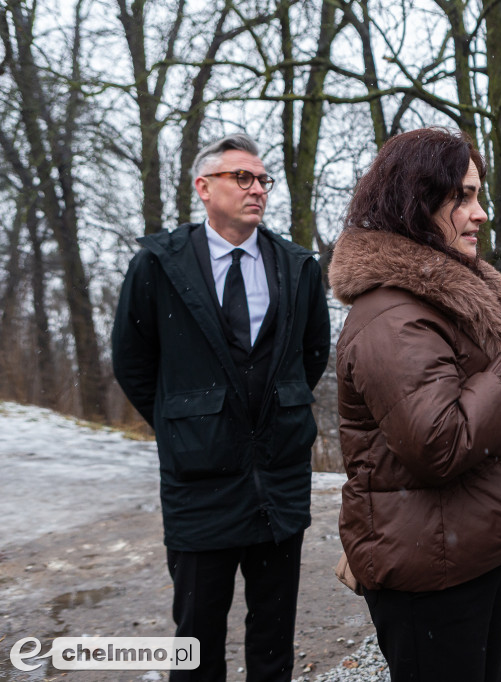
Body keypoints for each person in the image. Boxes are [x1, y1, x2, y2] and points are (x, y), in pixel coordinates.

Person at [328, 127, 501, 681]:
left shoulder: (441, 298)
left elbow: (479, 387)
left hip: (460, 550)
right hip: (428, 570)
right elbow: (439, 444)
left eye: (479, 195)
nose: (480, 213)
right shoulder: (394, 317)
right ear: (416, 204)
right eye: (462, 197)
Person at [111, 133, 331, 682]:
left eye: (262, 179)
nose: (257, 189)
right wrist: (186, 423)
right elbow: (133, 360)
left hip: (279, 478)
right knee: (196, 639)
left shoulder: (296, 266)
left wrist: (274, 414)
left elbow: (311, 355)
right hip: (199, 483)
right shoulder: (160, 264)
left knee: (274, 639)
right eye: (242, 177)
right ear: (204, 188)